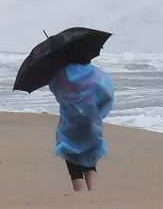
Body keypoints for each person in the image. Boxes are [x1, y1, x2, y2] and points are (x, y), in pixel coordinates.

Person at [48, 48, 114, 192]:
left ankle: (82, 198)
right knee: (90, 161)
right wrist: (98, 110)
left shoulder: (61, 74)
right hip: (90, 122)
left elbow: (56, 92)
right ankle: (92, 194)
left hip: (69, 124)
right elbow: (107, 95)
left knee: (73, 165)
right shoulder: (95, 74)